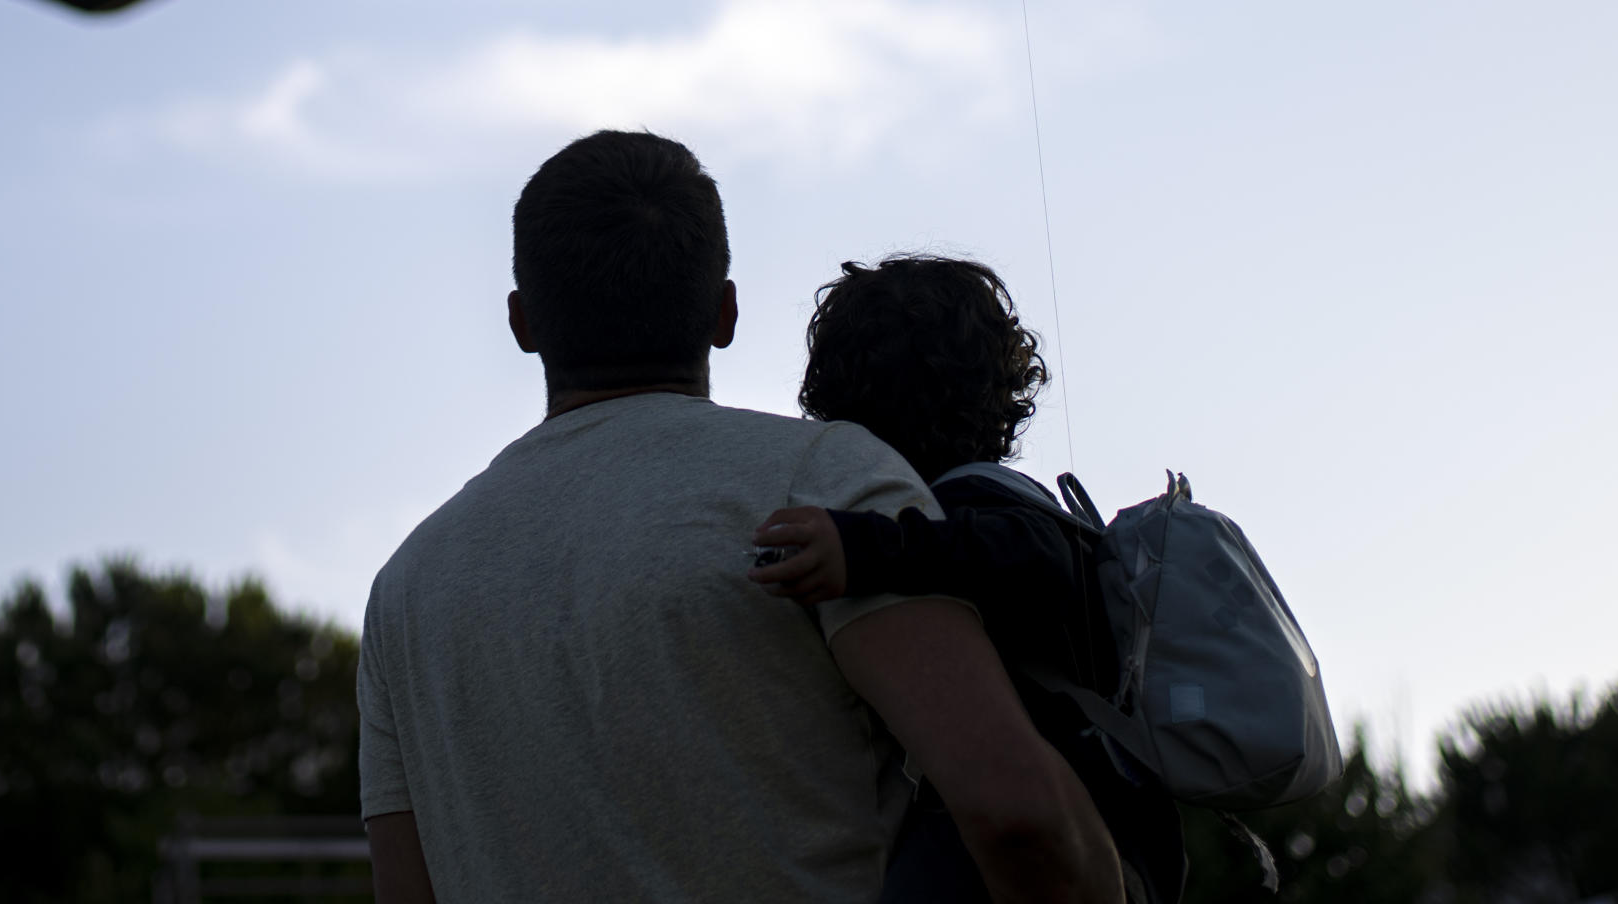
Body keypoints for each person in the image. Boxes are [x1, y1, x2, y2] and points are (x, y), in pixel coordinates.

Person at [358, 134, 1121, 904]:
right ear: (724, 311)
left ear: (523, 324)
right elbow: (1019, 817)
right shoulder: (823, 482)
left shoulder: (407, 588)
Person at [749, 257, 1185, 904]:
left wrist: (863, 548)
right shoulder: (993, 504)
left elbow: (1030, 559)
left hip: (1071, 839)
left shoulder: (988, 505)